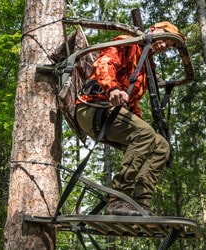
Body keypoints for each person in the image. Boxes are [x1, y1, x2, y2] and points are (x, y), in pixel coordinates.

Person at [75, 22, 185, 216]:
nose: (162, 46)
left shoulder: (145, 67)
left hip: (111, 115)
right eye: (163, 39)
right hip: (93, 107)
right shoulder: (129, 43)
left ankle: (140, 203)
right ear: (153, 30)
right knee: (145, 134)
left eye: (167, 45)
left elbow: (132, 105)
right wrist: (113, 88)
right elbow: (104, 63)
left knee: (161, 146)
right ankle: (118, 198)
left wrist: (142, 126)